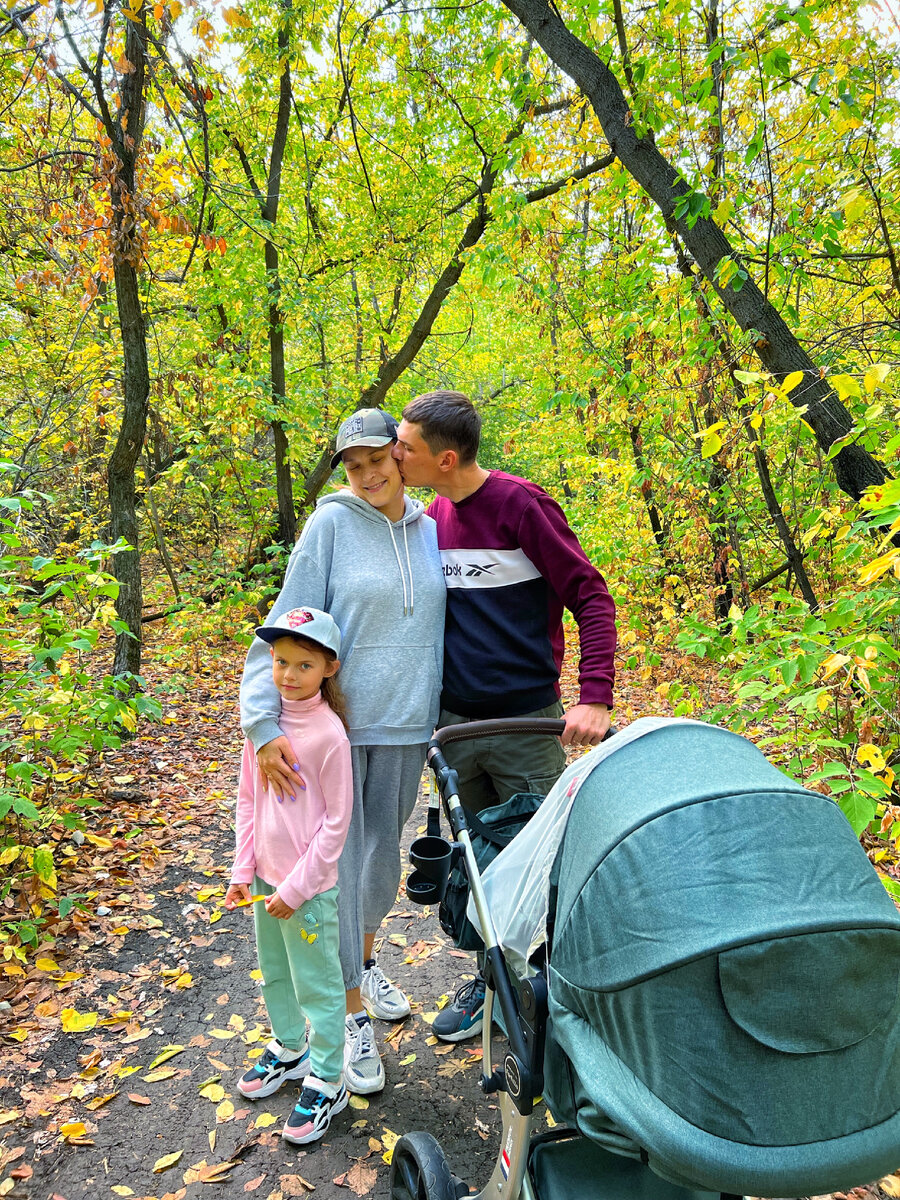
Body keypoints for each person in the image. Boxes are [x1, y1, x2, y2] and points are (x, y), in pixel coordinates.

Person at [393, 390, 617, 1042]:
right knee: (476, 865)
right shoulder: (432, 516)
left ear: (446, 458)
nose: (395, 455)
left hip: (526, 724)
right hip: (457, 726)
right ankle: (490, 983)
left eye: (405, 447)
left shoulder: (521, 505)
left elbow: (590, 595)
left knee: (542, 866)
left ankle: (554, 996)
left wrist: (594, 695)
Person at [239, 408, 446, 1094]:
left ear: (400, 455)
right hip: (339, 733)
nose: (366, 475)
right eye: (352, 466)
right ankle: (350, 1012)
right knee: (339, 871)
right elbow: (282, 626)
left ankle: (361, 962)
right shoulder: (329, 525)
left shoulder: (431, 530)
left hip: (407, 727)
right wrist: (262, 725)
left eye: (376, 460)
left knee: (380, 866)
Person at [225, 607, 352, 1145]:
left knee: (317, 985)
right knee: (276, 974)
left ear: (329, 667)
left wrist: (297, 889)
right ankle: (290, 1047)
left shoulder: (329, 736)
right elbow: (248, 801)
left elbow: (336, 824)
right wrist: (243, 869)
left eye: (304, 664)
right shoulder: (264, 730)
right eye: (280, 662)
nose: (288, 675)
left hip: (308, 893)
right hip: (264, 883)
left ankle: (328, 1076)